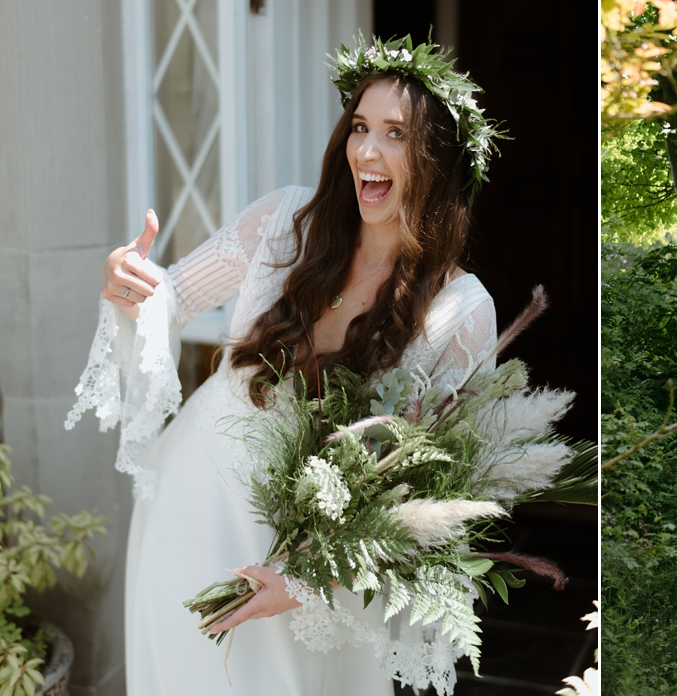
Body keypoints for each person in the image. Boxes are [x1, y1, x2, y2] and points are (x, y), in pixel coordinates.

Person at [67, 35, 502, 696]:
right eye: (360, 127)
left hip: (314, 564)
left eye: (395, 133)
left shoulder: (461, 308)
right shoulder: (284, 222)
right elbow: (173, 296)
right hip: (196, 502)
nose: (367, 151)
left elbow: (442, 492)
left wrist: (306, 578)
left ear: (438, 159)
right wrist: (126, 281)